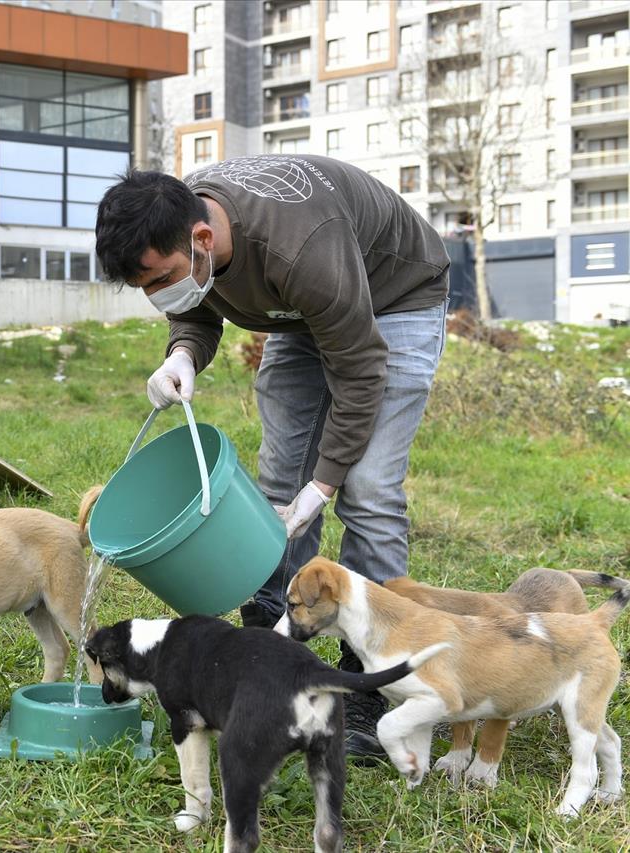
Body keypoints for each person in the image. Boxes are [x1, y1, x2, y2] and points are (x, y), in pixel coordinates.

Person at [94, 156, 449, 760]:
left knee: (367, 490)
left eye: (161, 280)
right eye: (145, 286)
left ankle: (372, 672)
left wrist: (325, 485)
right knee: (279, 476)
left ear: (202, 239)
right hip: (306, 311)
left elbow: (360, 370)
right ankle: (273, 636)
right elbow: (196, 304)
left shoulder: (299, 248)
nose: (157, 295)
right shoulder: (189, 228)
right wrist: (183, 351)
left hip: (394, 301)